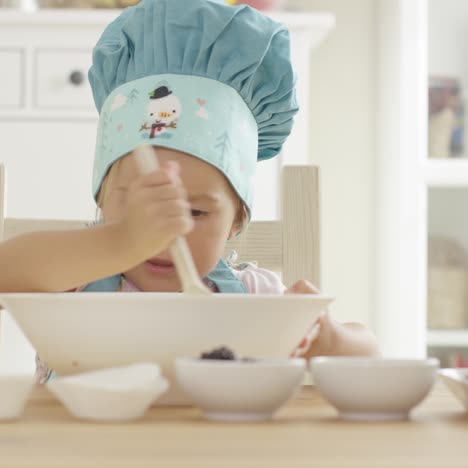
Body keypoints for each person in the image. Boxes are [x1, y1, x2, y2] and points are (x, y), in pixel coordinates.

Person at [0, 0, 378, 382]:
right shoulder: (73, 280)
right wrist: (119, 241)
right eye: (139, 206)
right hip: (75, 443)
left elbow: (369, 353)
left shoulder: (255, 301)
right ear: (100, 202)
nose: (166, 231)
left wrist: (329, 340)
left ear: (236, 221)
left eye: (196, 212)